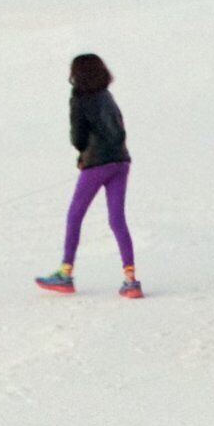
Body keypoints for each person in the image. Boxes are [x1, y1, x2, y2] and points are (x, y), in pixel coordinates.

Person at [36, 53, 140, 298]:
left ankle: (65, 273)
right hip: (121, 161)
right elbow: (118, 128)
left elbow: (78, 138)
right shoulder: (107, 95)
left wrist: (84, 154)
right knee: (117, 219)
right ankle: (131, 280)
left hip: (96, 163)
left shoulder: (79, 99)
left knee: (75, 215)